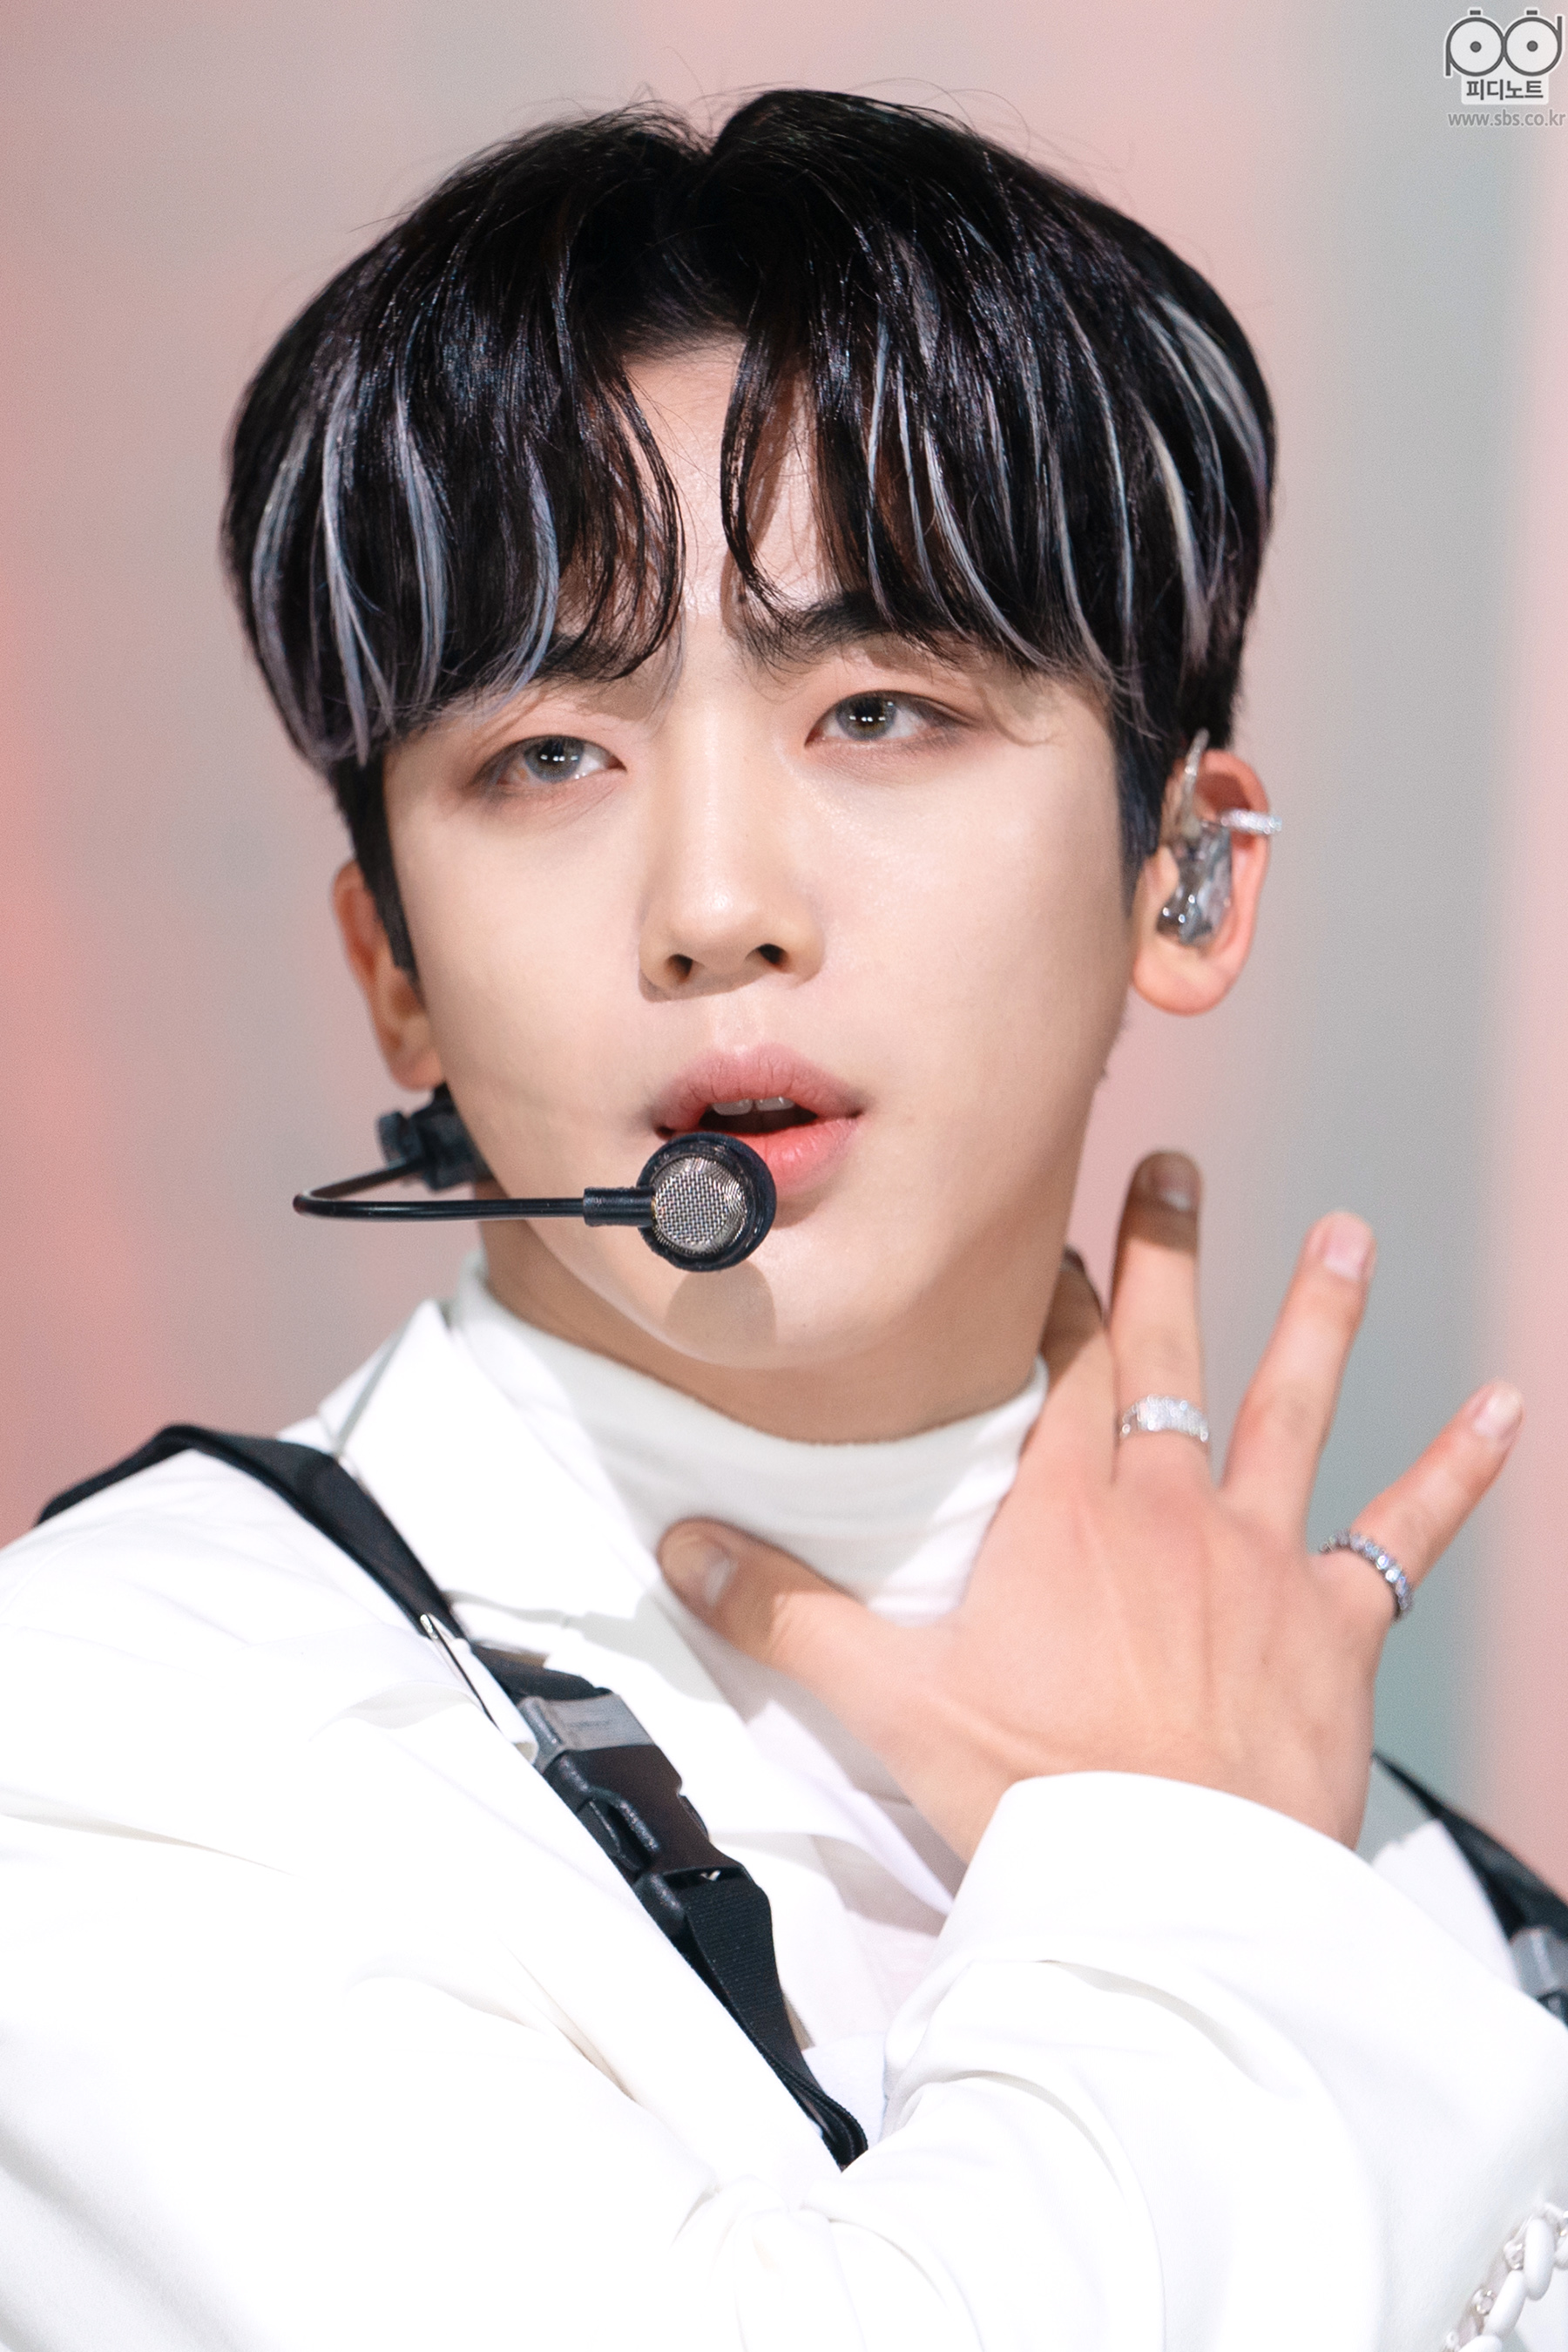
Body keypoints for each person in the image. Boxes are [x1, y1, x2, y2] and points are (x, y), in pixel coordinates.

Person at [0, 90, 1564, 2352]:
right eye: (549, 754)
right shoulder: (128, 1728)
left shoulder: (1385, 1856)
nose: (718, 900)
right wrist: (1187, 1870)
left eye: (882, 708)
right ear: (392, 971)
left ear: (1189, 872)